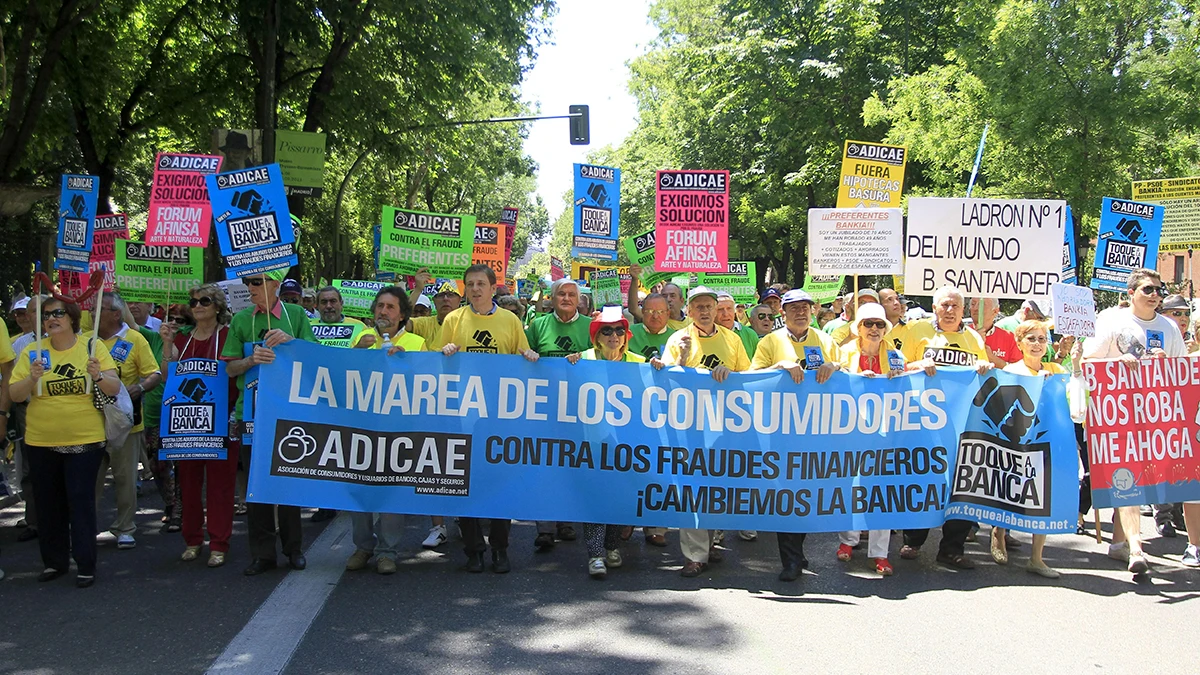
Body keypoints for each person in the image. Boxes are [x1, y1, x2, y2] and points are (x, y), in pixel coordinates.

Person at [1081, 268, 1191, 574]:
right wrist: (1117, 362)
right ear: (1131, 293)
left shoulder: (1169, 328)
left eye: (1159, 290)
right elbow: (1087, 362)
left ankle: (1119, 544)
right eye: (1148, 290)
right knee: (1127, 479)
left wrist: (1166, 365)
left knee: (1140, 483)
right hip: (1119, 416)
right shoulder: (1112, 322)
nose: (1155, 295)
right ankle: (1136, 548)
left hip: (1155, 418)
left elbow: (1181, 373)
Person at [11, 298, 121, 587]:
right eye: (46, 315)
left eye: (58, 313)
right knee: (48, 505)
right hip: (40, 440)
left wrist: (97, 374)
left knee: (80, 502)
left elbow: (114, 387)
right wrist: (30, 378)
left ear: (72, 317)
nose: (52, 318)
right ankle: (54, 563)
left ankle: (86, 563)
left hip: (85, 440)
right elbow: (15, 395)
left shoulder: (91, 346)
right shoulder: (33, 352)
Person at [441, 263, 539, 573]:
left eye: (481, 283)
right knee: (466, 482)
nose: (475, 289)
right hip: (463, 414)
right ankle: (473, 549)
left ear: (493, 287)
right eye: (470, 284)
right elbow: (434, 369)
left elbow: (523, 362)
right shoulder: (453, 320)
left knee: (500, 482)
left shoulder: (510, 321)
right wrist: (444, 354)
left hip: (501, 415)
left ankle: (500, 548)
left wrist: (531, 358)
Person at [222, 269, 318, 576]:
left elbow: (316, 358)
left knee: (288, 483)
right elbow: (230, 369)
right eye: (247, 282)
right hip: (251, 415)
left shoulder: (296, 315)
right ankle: (262, 554)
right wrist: (251, 360)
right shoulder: (240, 320)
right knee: (256, 488)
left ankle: (294, 549)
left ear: (274, 285)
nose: (248, 287)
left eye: (256, 282)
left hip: (290, 414)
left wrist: (292, 343)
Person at [898, 285, 993, 569]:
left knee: (961, 485)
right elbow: (898, 364)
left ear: (964, 311)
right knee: (923, 480)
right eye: (945, 305)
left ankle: (952, 548)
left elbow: (983, 368)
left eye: (955, 306)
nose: (950, 311)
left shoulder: (972, 337)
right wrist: (917, 363)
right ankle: (913, 540)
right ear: (935, 308)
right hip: (923, 423)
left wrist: (985, 366)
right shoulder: (917, 332)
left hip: (961, 425)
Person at [749, 289, 842, 581]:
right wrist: (779, 366)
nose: (800, 313)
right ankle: (790, 560)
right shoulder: (770, 341)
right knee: (785, 493)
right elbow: (752, 377)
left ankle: (797, 552)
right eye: (793, 308)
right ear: (783, 313)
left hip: (817, 431)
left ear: (813, 311)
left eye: (805, 308)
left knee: (807, 495)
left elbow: (848, 373)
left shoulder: (826, 341)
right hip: (781, 431)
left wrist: (834, 366)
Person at [566, 306, 664, 578]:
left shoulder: (638, 362)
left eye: (619, 330)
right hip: (593, 446)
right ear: (596, 337)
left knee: (622, 496)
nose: (613, 336)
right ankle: (595, 554)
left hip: (628, 446)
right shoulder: (581, 360)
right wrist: (567, 365)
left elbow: (655, 392)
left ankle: (612, 546)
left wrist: (658, 369)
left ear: (626, 336)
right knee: (597, 497)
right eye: (606, 331)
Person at [661, 286, 751, 577]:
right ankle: (694, 555)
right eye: (697, 306)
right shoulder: (678, 338)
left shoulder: (732, 339)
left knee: (718, 487)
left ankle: (711, 540)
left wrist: (731, 376)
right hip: (689, 426)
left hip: (724, 425)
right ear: (689, 310)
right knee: (691, 488)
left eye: (708, 306)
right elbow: (667, 379)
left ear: (717, 309)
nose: (704, 310)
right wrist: (682, 360)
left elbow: (747, 378)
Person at [345, 287, 427, 575]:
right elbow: (342, 376)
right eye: (379, 306)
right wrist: (357, 353)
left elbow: (429, 384)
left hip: (398, 428)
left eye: (390, 307)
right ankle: (362, 546)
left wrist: (410, 364)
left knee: (391, 491)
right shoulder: (361, 339)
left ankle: (387, 551)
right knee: (359, 490)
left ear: (402, 314)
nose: (383, 312)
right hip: (363, 427)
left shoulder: (417, 342)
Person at [160, 284, 239, 568]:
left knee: (220, 485)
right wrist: (168, 344)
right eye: (193, 302)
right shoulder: (182, 339)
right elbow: (167, 375)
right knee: (189, 484)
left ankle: (219, 543)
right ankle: (192, 540)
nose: (197, 305)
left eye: (204, 301)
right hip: (187, 421)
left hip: (221, 420)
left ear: (217, 306)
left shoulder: (229, 336)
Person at [997, 319, 1083, 579]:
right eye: (1031, 339)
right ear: (1019, 342)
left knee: (1043, 497)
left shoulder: (1057, 369)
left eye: (1042, 339)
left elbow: (1077, 398)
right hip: (1017, 442)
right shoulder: (1011, 371)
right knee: (1010, 491)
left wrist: (1076, 365)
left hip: (1048, 442)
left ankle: (1036, 557)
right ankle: (999, 532)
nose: (1036, 344)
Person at [835, 303, 904, 576]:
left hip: (886, 433)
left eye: (879, 324)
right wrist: (854, 379)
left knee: (881, 492)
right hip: (851, 432)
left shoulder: (896, 355)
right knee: (850, 486)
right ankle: (847, 541)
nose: (874, 329)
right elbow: (832, 383)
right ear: (859, 328)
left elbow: (909, 383)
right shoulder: (844, 354)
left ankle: (880, 553)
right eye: (868, 324)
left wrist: (908, 372)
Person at [524, 278, 593, 548]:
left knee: (573, 466)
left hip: (580, 410)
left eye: (571, 294)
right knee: (545, 467)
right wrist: (528, 354)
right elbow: (523, 356)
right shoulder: (538, 325)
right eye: (560, 294)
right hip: (545, 409)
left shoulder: (590, 327)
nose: (566, 298)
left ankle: (566, 522)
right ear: (551, 299)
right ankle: (545, 528)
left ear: (579, 300)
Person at [95, 292, 162, 550]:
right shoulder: (86, 341)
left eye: (99, 309)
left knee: (125, 478)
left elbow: (154, 374)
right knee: (90, 480)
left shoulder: (135, 339)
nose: (92, 313)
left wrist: (140, 388)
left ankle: (125, 528)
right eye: (91, 309)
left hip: (126, 423)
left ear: (115, 313)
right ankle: (85, 526)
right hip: (91, 423)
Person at [1154, 293, 1191, 536]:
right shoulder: (1156, 335)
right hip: (1156, 409)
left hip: (1183, 409)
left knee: (1181, 465)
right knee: (1160, 463)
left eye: (1186, 313)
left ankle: (1179, 513)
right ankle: (1163, 514)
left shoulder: (1190, 340)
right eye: (1176, 313)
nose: (1183, 318)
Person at [407, 268, 462, 350]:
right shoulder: (425, 324)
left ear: (459, 300)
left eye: (450, 295)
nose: (446, 299)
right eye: (441, 295)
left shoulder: (468, 325)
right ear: (434, 301)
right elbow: (400, 323)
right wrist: (418, 289)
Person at [968, 297, 1021, 367]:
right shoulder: (961, 333)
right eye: (973, 304)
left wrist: (993, 359)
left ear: (995, 311)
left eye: (982, 305)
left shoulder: (1009, 338)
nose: (975, 308)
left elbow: (1018, 371)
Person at [627, 293, 676, 363]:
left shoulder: (675, 338)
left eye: (660, 312)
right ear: (643, 312)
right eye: (650, 311)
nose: (655, 316)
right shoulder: (629, 333)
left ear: (668, 313)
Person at [716, 291, 758, 360]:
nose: (725, 314)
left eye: (729, 308)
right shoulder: (706, 334)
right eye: (720, 309)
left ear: (734, 311)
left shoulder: (750, 334)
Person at [878, 288, 910, 354]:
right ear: (880, 305)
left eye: (897, 299)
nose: (896, 303)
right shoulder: (875, 331)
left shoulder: (910, 329)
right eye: (890, 300)